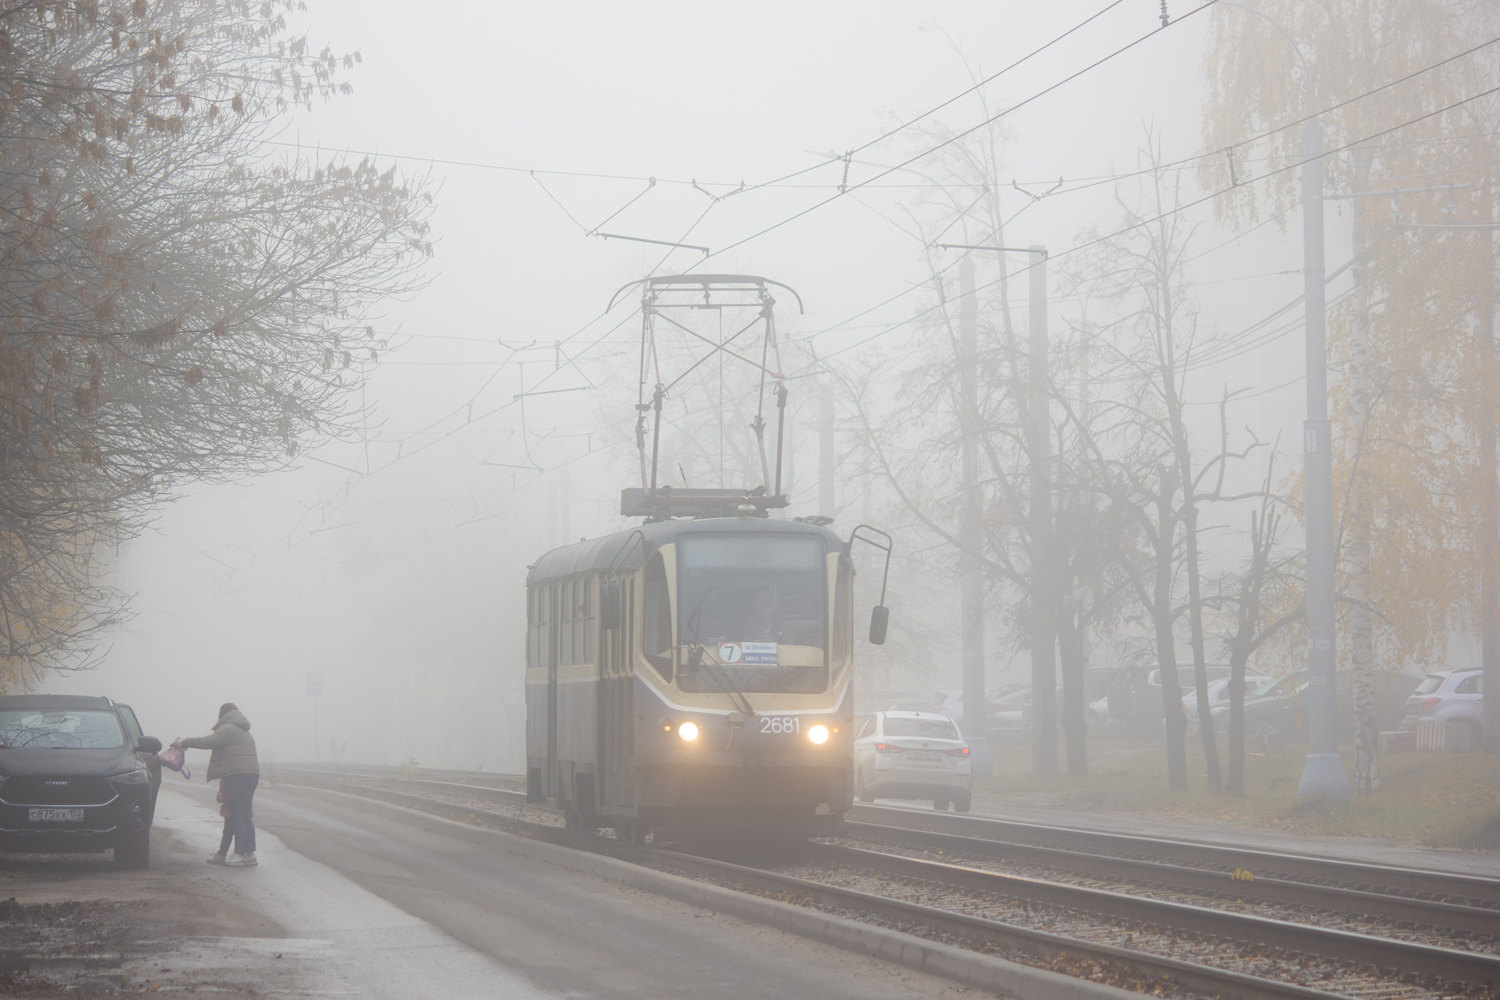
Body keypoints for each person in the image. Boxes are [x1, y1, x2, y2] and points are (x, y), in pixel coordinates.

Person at [175, 703, 259, 867]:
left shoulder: (228, 728)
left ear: (222, 715)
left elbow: (210, 741)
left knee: (236, 815)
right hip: (251, 775)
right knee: (245, 815)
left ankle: (238, 853)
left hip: (238, 776)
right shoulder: (244, 730)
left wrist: (187, 742)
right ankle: (249, 853)